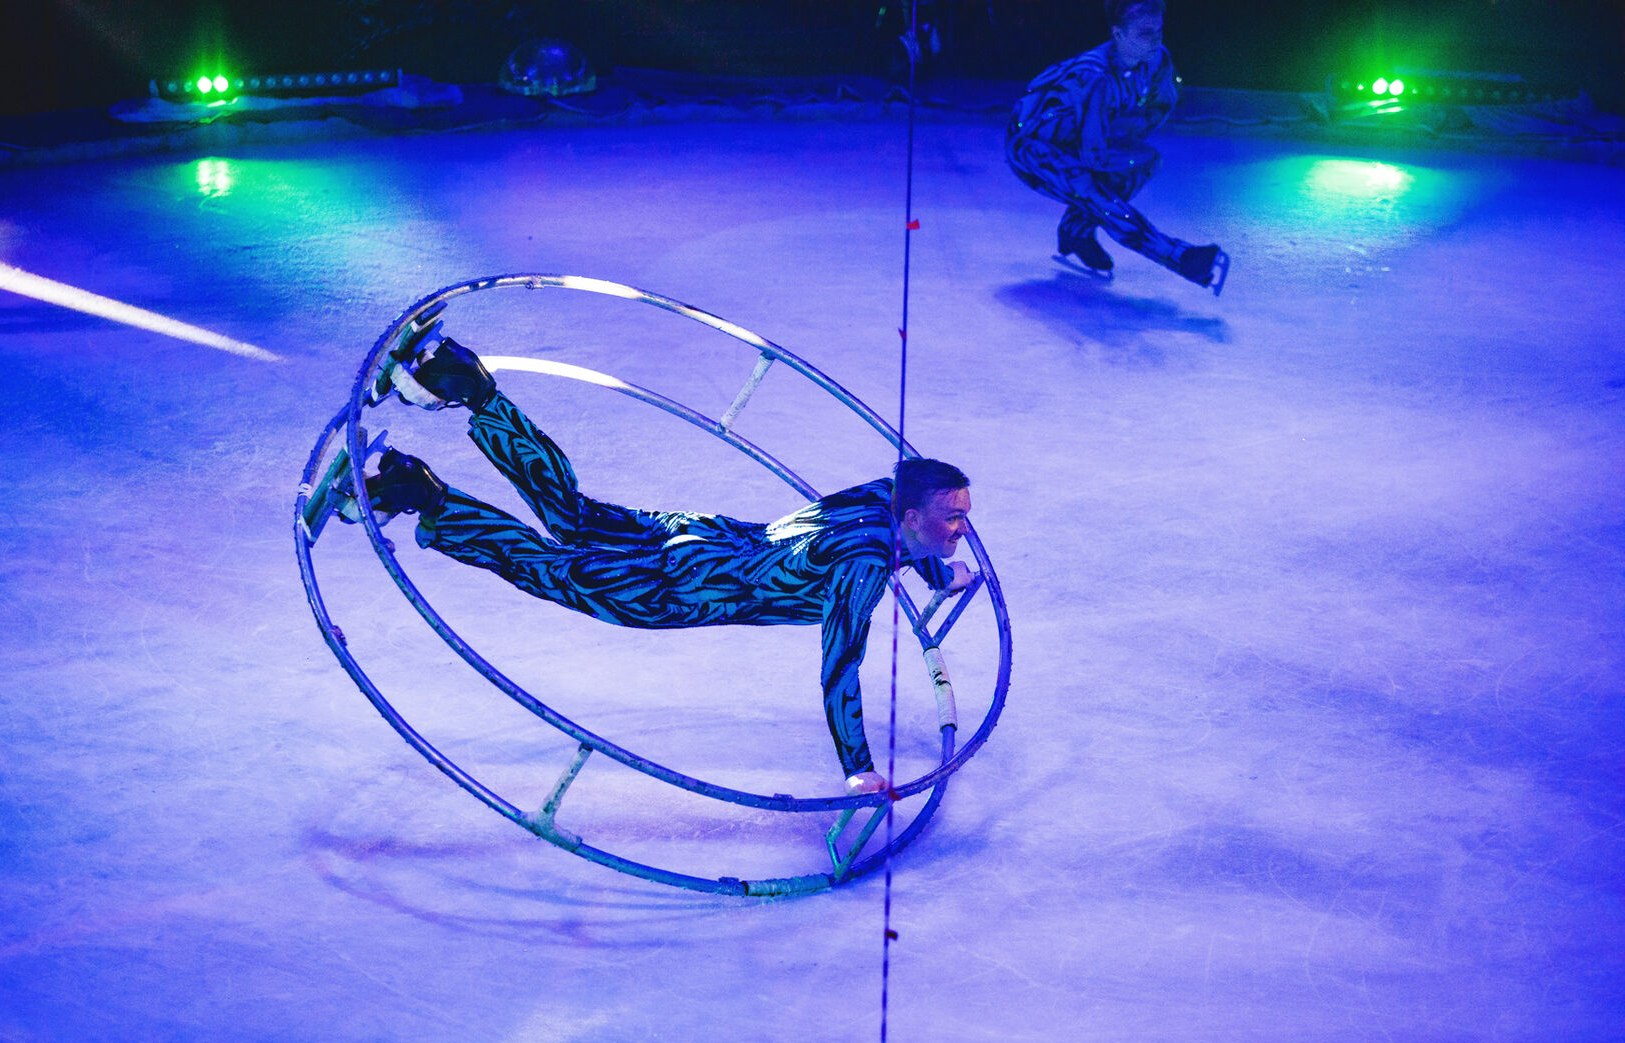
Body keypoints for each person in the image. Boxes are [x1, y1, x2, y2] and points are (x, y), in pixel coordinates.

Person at [356, 336, 977, 794]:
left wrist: (938, 573)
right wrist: (857, 769)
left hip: (706, 536)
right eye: (953, 519)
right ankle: (418, 493)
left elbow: (907, 536)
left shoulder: (885, 496)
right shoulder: (864, 566)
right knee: (549, 568)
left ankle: (467, 384)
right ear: (916, 517)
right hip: (683, 589)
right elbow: (840, 664)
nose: (962, 529)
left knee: (573, 515)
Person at [1006, 0, 1227, 290]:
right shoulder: (1093, 76)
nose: (1156, 40)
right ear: (1118, 35)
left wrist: (1131, 139)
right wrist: (1127, 145)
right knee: (1089, 184)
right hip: (1034, 148)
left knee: (1143, 163)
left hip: (1081, 143)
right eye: (1145, 33)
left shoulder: (1157, 60)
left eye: (1158, 31)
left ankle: (1076, 231)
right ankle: (1178, 255)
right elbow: (1094, 157)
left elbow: (1161, 105)